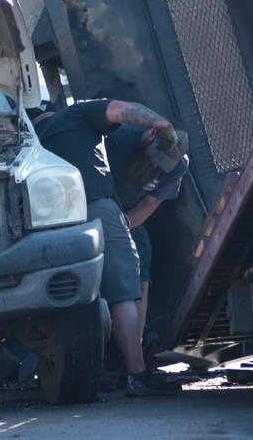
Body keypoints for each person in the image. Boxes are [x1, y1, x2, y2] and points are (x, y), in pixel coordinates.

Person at [29, 99, 181, 396]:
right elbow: (119, 109)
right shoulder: (81, 113)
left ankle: (85, 374)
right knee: (124, 293)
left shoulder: (29, 143)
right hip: (98, 207)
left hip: (47, 219)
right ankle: (136, 375)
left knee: (64, 293)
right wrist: (159, 120)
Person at [104, 125, 189, 388]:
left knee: (140, 281)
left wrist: (119, 233)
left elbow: (147, 206)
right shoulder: (117, 138)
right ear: (151, 133)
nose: (156, 165)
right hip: (96, 206)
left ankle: (131, 360)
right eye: (154, 157)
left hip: (130, 218)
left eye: (161, 163)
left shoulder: (176, 166)